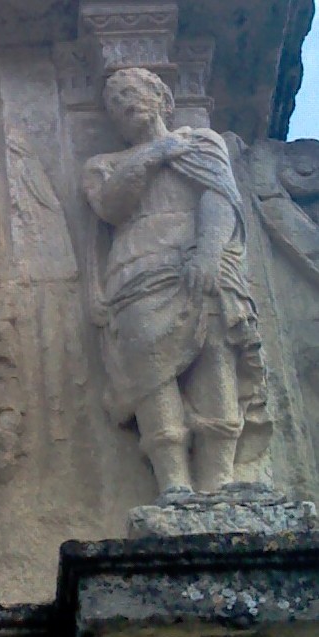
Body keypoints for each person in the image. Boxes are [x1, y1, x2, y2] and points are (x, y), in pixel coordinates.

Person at [83, 68, 269, 500]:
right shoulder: (104, 166)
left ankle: (220, 477)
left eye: (135, 92)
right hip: (138, 273)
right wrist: (156, 153)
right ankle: (173, 482)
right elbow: (112, 207)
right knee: (150, 370)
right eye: (116, 101)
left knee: (215, 355)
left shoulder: (204, 142)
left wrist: (207, 252)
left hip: (201, 263)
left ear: (163, 99)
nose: (128, 103)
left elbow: (219, 196)